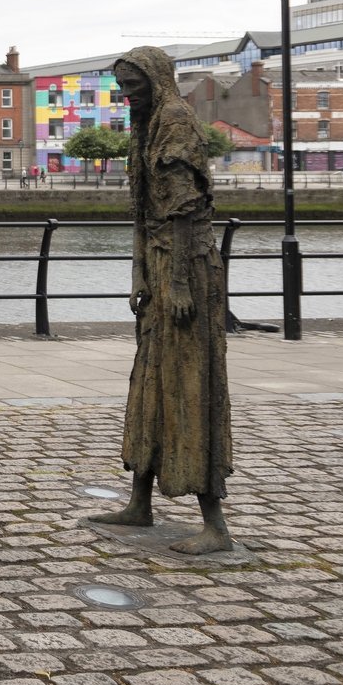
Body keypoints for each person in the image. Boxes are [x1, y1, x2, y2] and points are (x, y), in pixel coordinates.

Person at [86, 46, 233, 554]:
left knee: (193, 389)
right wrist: (139, 275)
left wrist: (178, 283)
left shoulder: (174, 121)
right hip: (159, 269)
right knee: (147, 386)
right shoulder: (143, 125)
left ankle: (215, 525)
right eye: (123, 87)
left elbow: (183, 213)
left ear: (157, 80)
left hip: (187, 269)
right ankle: (140, 502)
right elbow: (142, 214)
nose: (128, 97)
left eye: (135, 86)